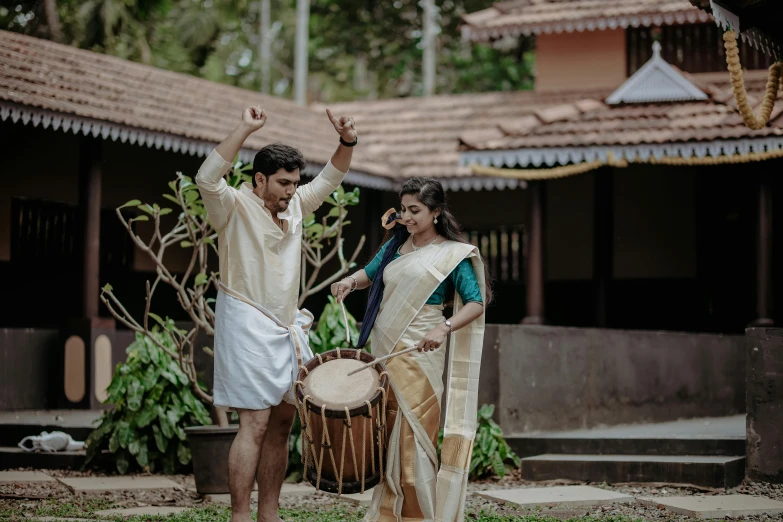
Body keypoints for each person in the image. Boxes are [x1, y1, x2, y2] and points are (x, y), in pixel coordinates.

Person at [196, 105, 358, 522]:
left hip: (287, 327)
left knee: (284, 424)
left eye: (294, 183)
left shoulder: (297, 206)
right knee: (254, 423)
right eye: (283, 183)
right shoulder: (231, 206)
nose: (291, 190)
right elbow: (206, 177)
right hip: (246, 323)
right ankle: (239, 515)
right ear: (260, 179)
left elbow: (332, 176)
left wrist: (346, 141)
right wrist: (246, 128)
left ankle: (269, 512)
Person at [331, 177, 489, 522]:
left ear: (435, 212)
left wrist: (444, 327)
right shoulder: (395, 247)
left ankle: (420, 515)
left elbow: (476, 303)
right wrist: (347, 281)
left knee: (414, 438)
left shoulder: (452, 254)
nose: (407, 216)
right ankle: (391, 513)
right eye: (403, 209)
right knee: (388, 434)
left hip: (421, 348)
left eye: (415, 210)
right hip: (384, 349)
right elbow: (370, 275)